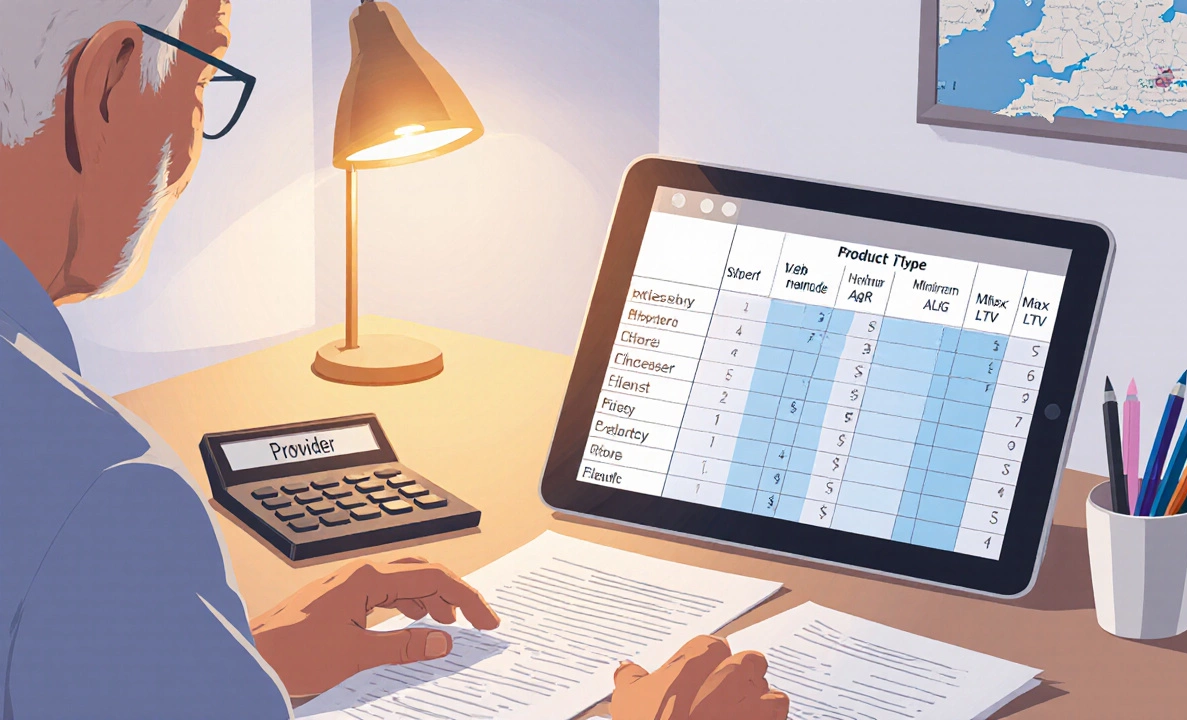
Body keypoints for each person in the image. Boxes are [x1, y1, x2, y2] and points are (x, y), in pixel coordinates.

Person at [0, 1, 789, 718]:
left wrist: (216, 664)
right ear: (108, 85)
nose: (192, 151)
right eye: (203, 80)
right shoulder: (104, 497)